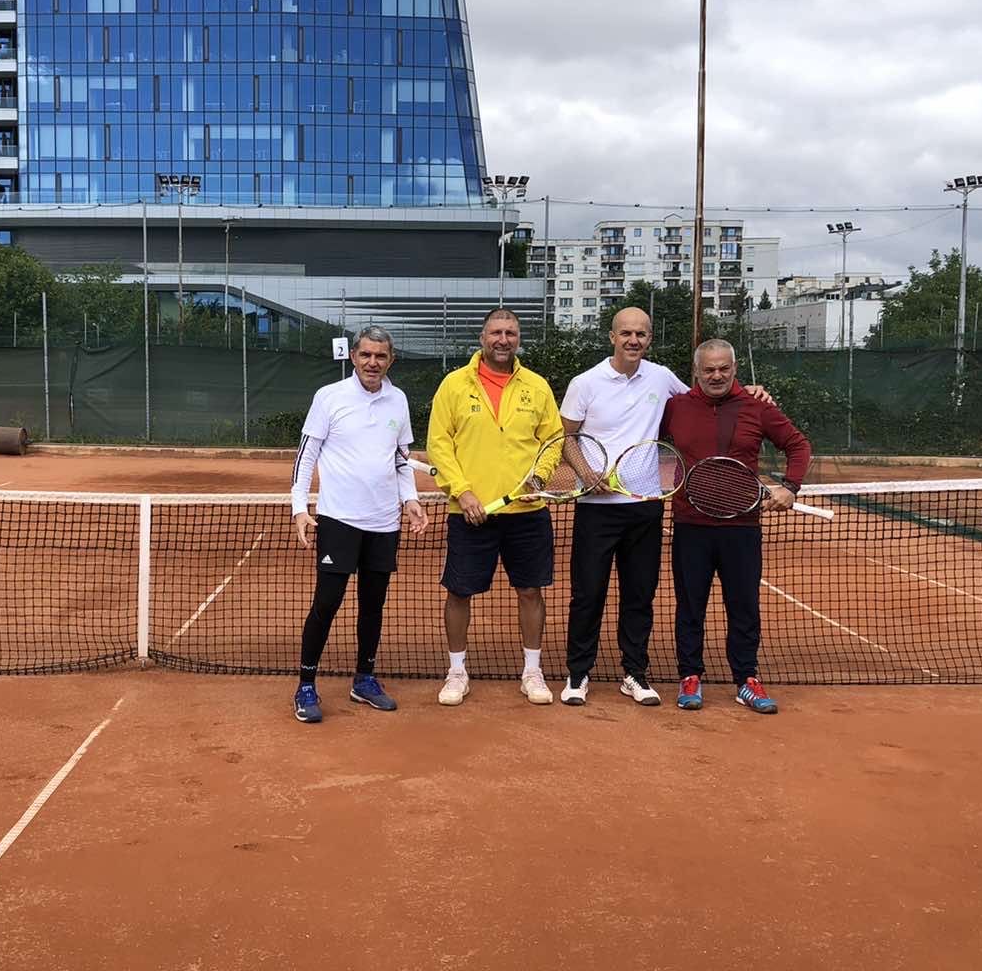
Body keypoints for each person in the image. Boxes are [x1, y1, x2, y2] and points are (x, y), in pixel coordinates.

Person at [558, 309, 771, 707]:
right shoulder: (584, 383)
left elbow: (706, 397)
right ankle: (578, 674)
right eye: (626, 333)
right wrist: (586, 473)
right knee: (588, 595)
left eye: (640, 334)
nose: (633, 340)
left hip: (645, 507)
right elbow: (565, 437)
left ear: (649, 338)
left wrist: (749, 391)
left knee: (640, 596)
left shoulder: (661, 378)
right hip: (596, 508)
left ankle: (634, 674)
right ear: (612, 337)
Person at [660, 339, 811, 715]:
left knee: (744, 606)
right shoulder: (675, 406)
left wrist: (790, 487)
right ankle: (690, 676)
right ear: (696, 372)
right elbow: (639, 432)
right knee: (690, 607)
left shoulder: (757, 407)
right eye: (709, 369)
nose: (716, 375)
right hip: (691, 525)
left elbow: (798, 445)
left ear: (734, 368)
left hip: (742, 527)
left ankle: (746, 679)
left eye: (723, 368)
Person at [290, 325, 429, 723]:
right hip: (339, 519)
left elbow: (401, 458)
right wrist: (300, 507)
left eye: (380, 356)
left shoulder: (398, 400)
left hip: (384, 522)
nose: (372, 362)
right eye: (366, 355)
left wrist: (411, 499)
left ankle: (364, 680)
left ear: (391, 360)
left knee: (373, 605)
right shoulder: (329, 397)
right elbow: (306, 455)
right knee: (327, 603)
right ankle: (306, 685)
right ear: (353, 356)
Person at [426, 308, 564, 706]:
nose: (503, 340)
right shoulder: (454, 385)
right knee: (459, 592)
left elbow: (553, 440)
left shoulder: (536, 386)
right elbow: (439, 444)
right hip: (470, 513)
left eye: (511, 333)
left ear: (518, 339)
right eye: (496, 332)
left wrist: (539, 479)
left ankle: (532, 672)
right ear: (482, 337)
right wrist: (462, 491)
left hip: (527, 514)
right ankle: (456, 672)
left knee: (530, 591)